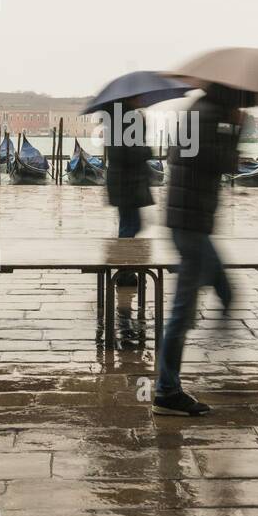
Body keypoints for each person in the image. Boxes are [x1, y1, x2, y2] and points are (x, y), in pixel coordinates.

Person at [154, 84, 243, 416]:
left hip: (190, 220)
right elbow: (217, 160)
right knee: (182, 311)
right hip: (190, 223)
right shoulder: (209, 116)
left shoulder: (201, 111)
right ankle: (166, 391)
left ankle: (222, 325)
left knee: (224, 288)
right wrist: (237, 132)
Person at [105, 99, 153, 342]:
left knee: (131, 225)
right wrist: (148, 150)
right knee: (129, 226)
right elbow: (129, 152)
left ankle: (126, 270)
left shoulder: (119, 120)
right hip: (128, 184)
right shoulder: (125, 121)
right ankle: (124, 272)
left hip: (126, 184)